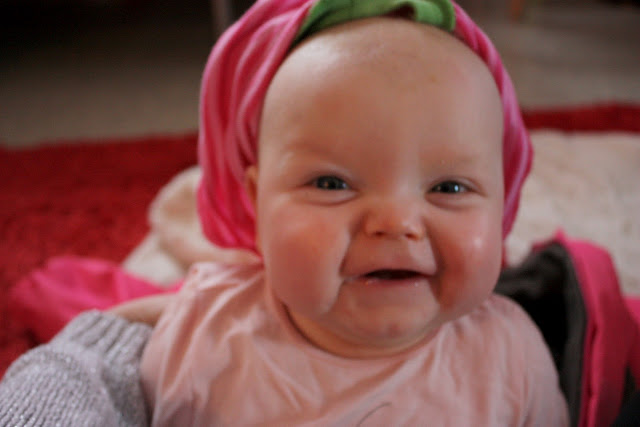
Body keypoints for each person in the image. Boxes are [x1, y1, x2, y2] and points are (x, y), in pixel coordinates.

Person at [0, 0, 569, 425]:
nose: (396, 221)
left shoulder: (513, 359)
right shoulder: (202, 339)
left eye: (449, 186)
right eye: (331, 183)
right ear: (255, 203)